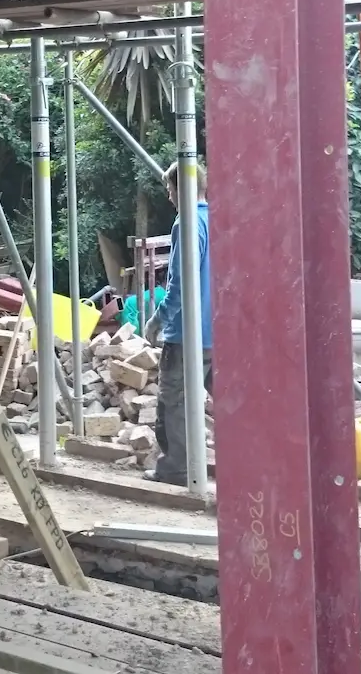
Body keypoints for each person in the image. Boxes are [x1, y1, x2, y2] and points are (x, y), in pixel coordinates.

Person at [146, 161, 211, 485]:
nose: (169, 197)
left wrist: (158, 320)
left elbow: (180, 283)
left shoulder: (186, 224)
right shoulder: (216, 220)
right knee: (230, 403)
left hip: (187, 333)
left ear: (180, 188)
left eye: (170, 189)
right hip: (218, 332)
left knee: (173, 401)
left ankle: (176, 468)